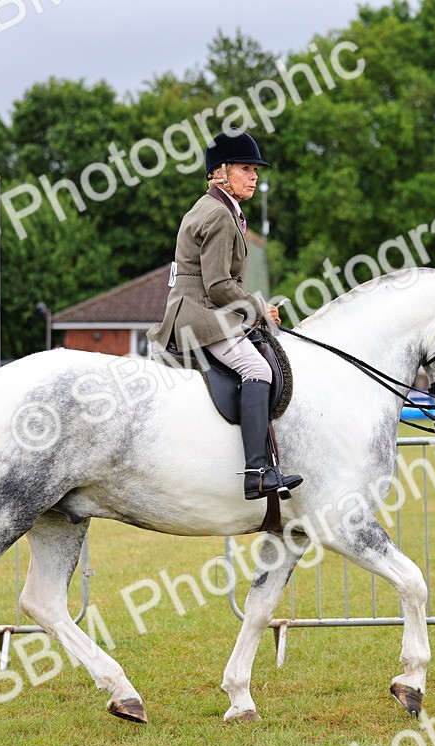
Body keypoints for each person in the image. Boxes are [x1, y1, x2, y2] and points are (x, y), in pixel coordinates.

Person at [147, 129, 301, 500]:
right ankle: (257, 472)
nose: (254, 176)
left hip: (203, 308)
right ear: (220, 172)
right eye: (246, 168)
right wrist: (257, 306)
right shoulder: (218, 214)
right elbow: (217, 284)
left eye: (255, 170)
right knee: (257, 369)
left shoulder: (217, 209)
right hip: (199, 313)